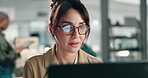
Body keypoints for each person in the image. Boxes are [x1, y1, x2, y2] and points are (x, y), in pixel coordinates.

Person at [23, 0, 103, 78]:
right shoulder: (34, 66)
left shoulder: (97, 67)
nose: (76, 35)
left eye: (81, 27)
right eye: (67, 28)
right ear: (52, 30)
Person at [0, 12, 22, 78]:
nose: (8, 24)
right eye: (7, 22)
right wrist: (15, 53)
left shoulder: (2, 36)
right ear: (1, 21)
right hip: (3, 71)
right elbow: (3, 57)